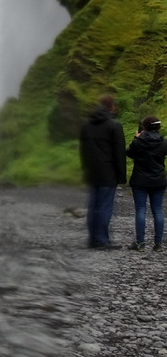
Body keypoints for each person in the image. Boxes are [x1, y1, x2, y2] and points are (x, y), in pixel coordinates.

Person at [80, 94, 126, 249]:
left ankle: (93, 239)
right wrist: (121, 175)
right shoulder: (114, 125)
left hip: (92, 171)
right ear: (111, 106)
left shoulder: (86, 125)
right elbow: (119, 153)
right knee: (105, 206)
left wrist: (85, 167)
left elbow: (83, 150)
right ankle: (102, 240)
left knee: (93, 206)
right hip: (108, 172)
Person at [126, 115, 167, 251]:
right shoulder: (163, 142)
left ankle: (140, 243)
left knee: (141, 210)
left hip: (140, 179)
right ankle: (158, 244)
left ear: (144, 127)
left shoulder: (139, 142)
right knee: (158, 211)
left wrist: (137, 138)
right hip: (158, 179)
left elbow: (130, 153)